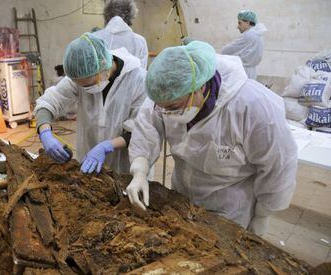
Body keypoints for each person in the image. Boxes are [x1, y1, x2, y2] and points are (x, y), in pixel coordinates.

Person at [126, 41, 298, 236]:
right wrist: (140, 170)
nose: (166, 112)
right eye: (162, 107)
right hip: (181, 199)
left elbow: (279, 165)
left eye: (173, 107)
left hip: (229, 210)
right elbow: (147, 129)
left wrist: (263, 214)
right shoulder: (166, 92)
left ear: (199, 88)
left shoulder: (254, 106)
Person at [34, 32, 146, 175]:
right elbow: (50, 101)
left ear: (103, 69)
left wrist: (107, 146)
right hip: (88, 163)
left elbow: (142, 130)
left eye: (88, 85)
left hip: (125, 167)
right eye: (80, 85)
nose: (84, 88)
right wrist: (45, 133)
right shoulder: (81, 75)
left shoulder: (138, 80)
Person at [94, 0, 148, 69]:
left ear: (106, 14)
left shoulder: (95, 37)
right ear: (131, 16)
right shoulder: (140, 41)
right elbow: (141, 73)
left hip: (100, 80)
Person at [221, 10, 267, 80]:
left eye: (240, 23)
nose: (238, 26)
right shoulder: (258, 35)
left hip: (243, 72)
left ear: (248, 23)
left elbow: (226, 50)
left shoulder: (248, 35)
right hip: (252, 72)